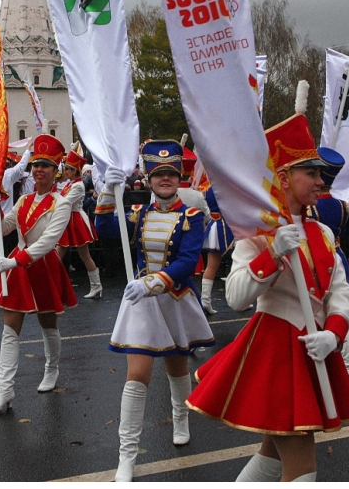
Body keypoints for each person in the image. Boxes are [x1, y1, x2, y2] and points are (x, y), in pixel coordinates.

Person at [186, 113, 349, 482]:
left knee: (272, 455)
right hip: (276, 354)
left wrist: (333, 333)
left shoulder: (325, 233)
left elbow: (340, 293)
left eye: (320, 174)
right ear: (283, 178)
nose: (320, 181)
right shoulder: (256, 235)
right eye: (311, 174)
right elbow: (235, 298)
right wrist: (272, 254)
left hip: (314, 349)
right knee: (300, 469)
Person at [95, 140, 215, 482]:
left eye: (171, 174)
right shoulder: (139, 214)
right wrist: (108, 188)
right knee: (138, 376)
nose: (165, 179)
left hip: (174, 299)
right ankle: (127, 457)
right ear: (148, 179)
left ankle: (181, 417)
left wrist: (154, 282)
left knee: (177, 367)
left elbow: (188, 260)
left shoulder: (191, 216)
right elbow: (104, 230)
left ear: (179, 178)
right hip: (142, 305)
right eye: (158, 174)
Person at [0, 134, 77, 414]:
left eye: (46, 165)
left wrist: (17, 261)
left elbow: (49, 241)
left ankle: (51, 370)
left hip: (43, 265)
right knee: (10, 329)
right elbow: (4, 230)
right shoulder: (23, 199)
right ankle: (5, 390)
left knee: (48, 325)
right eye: (36, 164)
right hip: (19, 266)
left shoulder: (61, 203)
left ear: (56, 170)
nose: (39, 170)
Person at [307, 147, 349, 388]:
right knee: (330, 313)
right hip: (338, 255)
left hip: (321, 259)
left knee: (327, 314)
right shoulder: (343, 205)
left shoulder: (310, 208)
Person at [55, 149, 103, 299]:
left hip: (75, 220)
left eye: (68, 169)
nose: (66, 172)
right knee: (57, 254)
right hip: (68, 219)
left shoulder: (78, 186)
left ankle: (96, 286)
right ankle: (54, 285)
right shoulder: (70, 184)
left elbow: (65, 203)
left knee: (84, 255)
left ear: (74, 170)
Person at [199, 185, 233, 314]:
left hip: (214, 224)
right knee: (238, 262)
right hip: (227, 226)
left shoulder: (207, 187)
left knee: (212, 265)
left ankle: (205, 301)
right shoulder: (224, 185)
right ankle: (239, 299)